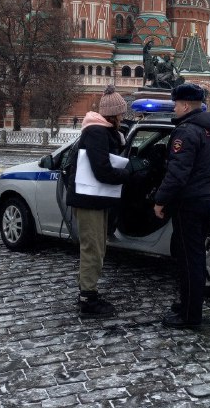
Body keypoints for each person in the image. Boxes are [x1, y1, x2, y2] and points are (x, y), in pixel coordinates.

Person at [153, 83, 210, 329]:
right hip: (206, 200)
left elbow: (177, 173)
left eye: (176, 104)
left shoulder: (186, 131)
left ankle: (190, 315)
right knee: (191, 255)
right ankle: (188, 303)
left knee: (190, 259)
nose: (175, 108)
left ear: (185, 105)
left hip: (189, 203)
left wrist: (160, 200)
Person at [66, 85, 133, 318]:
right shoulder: (96, 132)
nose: (123, 117)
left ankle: (88, 292)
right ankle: (88, 301)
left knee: (97, 248)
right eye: (121, 113)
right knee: (92, 249)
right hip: (88, 200)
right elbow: (102, 170)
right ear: (113, 113)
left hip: (96, 198)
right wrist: (128, 174)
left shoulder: (104, 131)